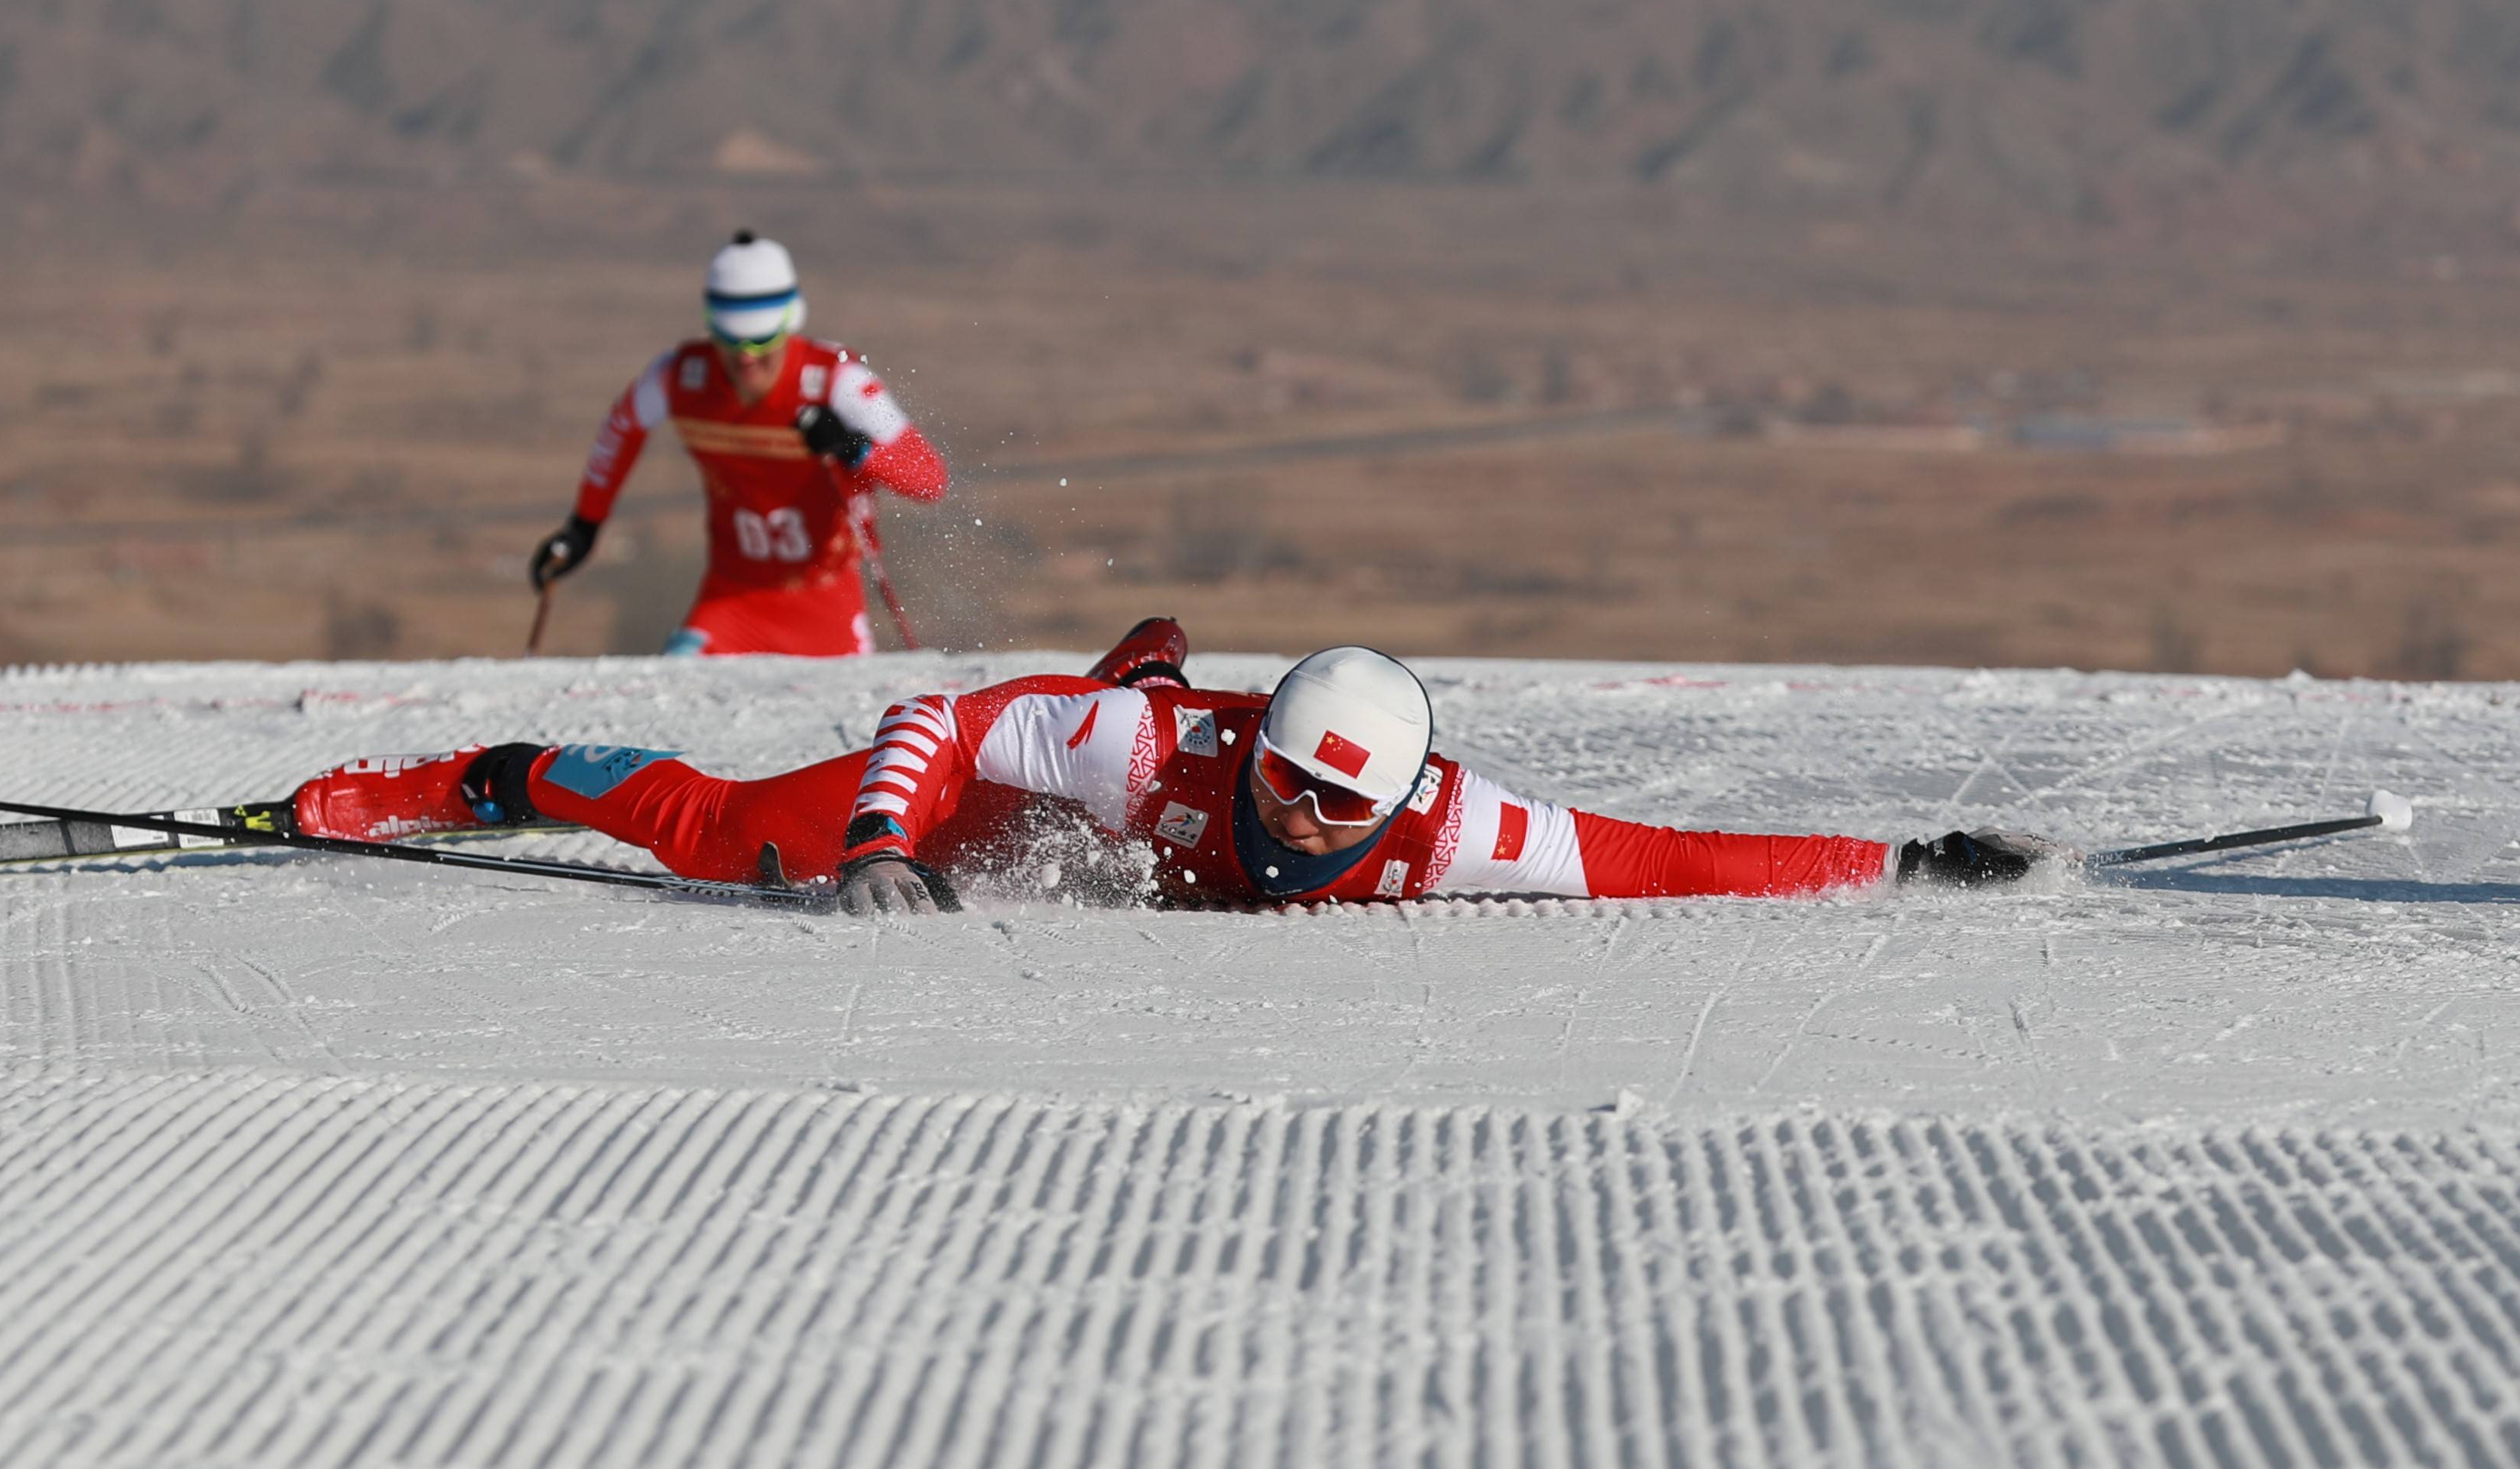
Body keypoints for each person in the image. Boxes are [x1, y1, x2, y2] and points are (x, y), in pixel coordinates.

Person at [288, 619, 2053, 911]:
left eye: (1333, 809)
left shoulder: (1447, 833)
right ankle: (459, 775)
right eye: (1283, 782)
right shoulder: (1162, 751)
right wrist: (896, 835)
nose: (1298, 821)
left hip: (1089, 765)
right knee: (728, 837)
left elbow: (1669, 855)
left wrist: (1898, 860)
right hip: (1014, 781)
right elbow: (950, 718)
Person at [528, 230, 948, 656]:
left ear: (789, 325)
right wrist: (585, 526)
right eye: (729, 340)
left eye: (762, 340)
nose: (746, 357)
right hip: (732, 603)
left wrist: (853, 447)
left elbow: (930, 478)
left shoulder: (837, 382)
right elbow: (621, 430)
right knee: (669, 692)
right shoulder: (681, 377)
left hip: (827, 608)